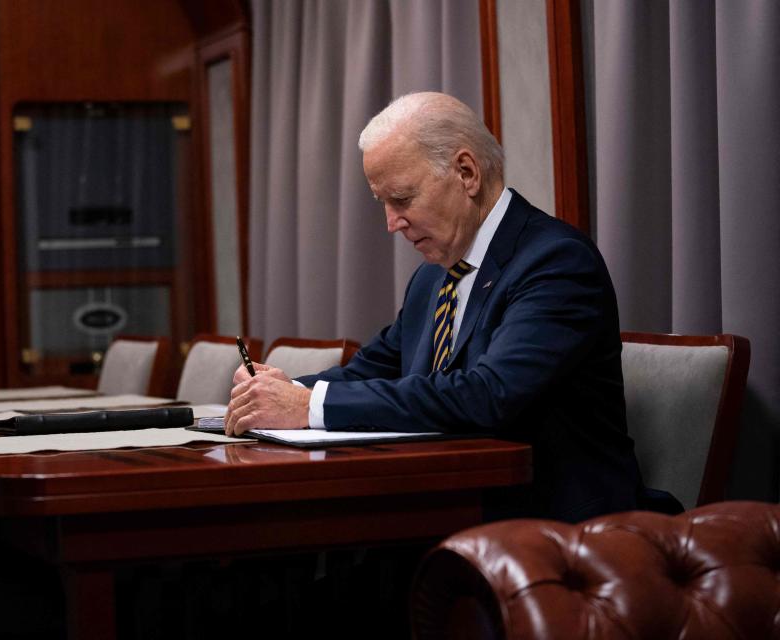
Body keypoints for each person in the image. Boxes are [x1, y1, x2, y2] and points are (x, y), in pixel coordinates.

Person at [225, 91, 643, 523]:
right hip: (445, 507)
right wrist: (278, 391)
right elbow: (368, 371)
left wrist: (306, 405)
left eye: (402, 199)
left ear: (466, 173)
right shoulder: (434, 276)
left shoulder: (555, 262)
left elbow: (488, 395)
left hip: (554, 527)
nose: (391, 223)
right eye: (383, 203)